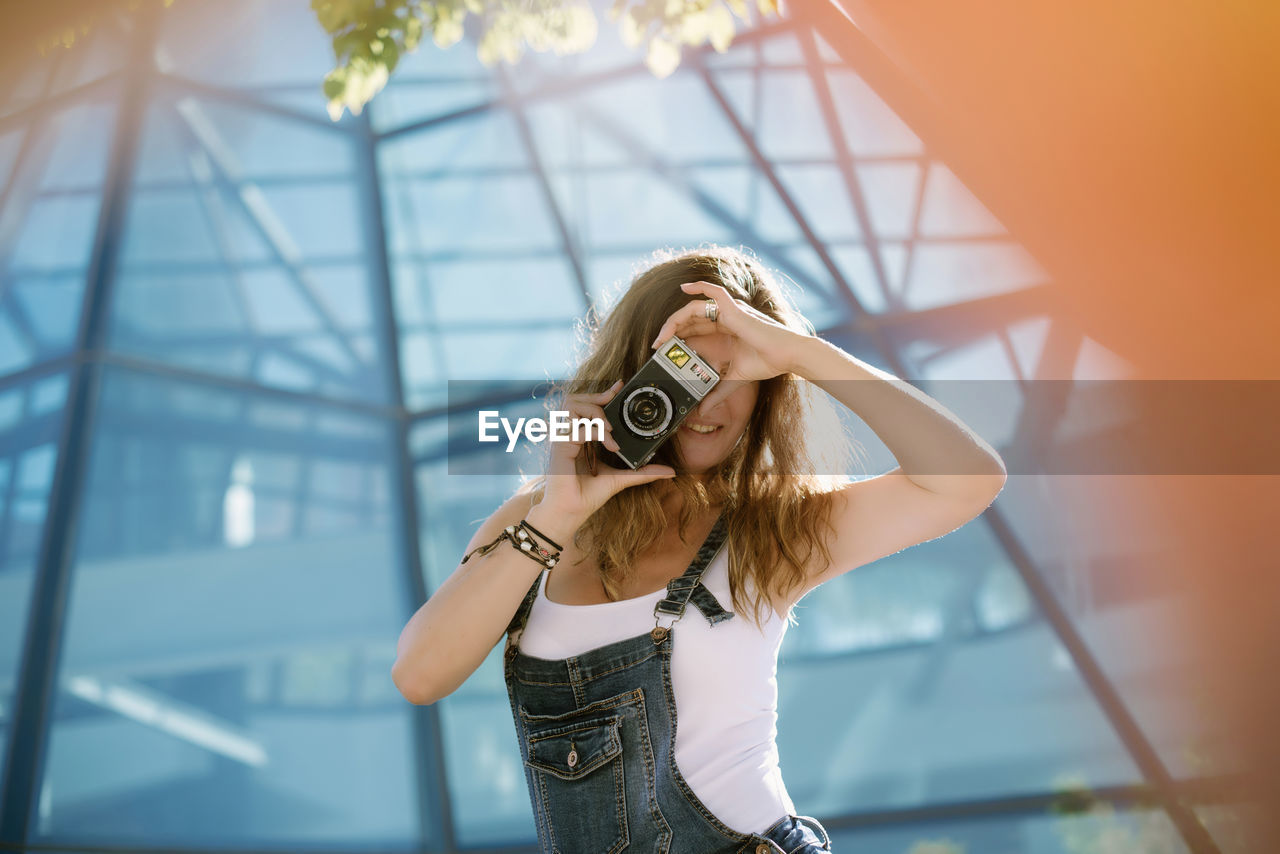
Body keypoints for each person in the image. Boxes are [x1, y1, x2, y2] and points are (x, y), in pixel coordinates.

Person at [392, 245, 1007, 853]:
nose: (708, 402)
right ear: (631, 373)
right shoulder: (534, 519)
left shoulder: (773, 526)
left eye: (734, 374)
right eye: (683, 370)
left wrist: (802, 351)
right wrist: (556, 516)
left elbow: (969, 481)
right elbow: (420, 675)